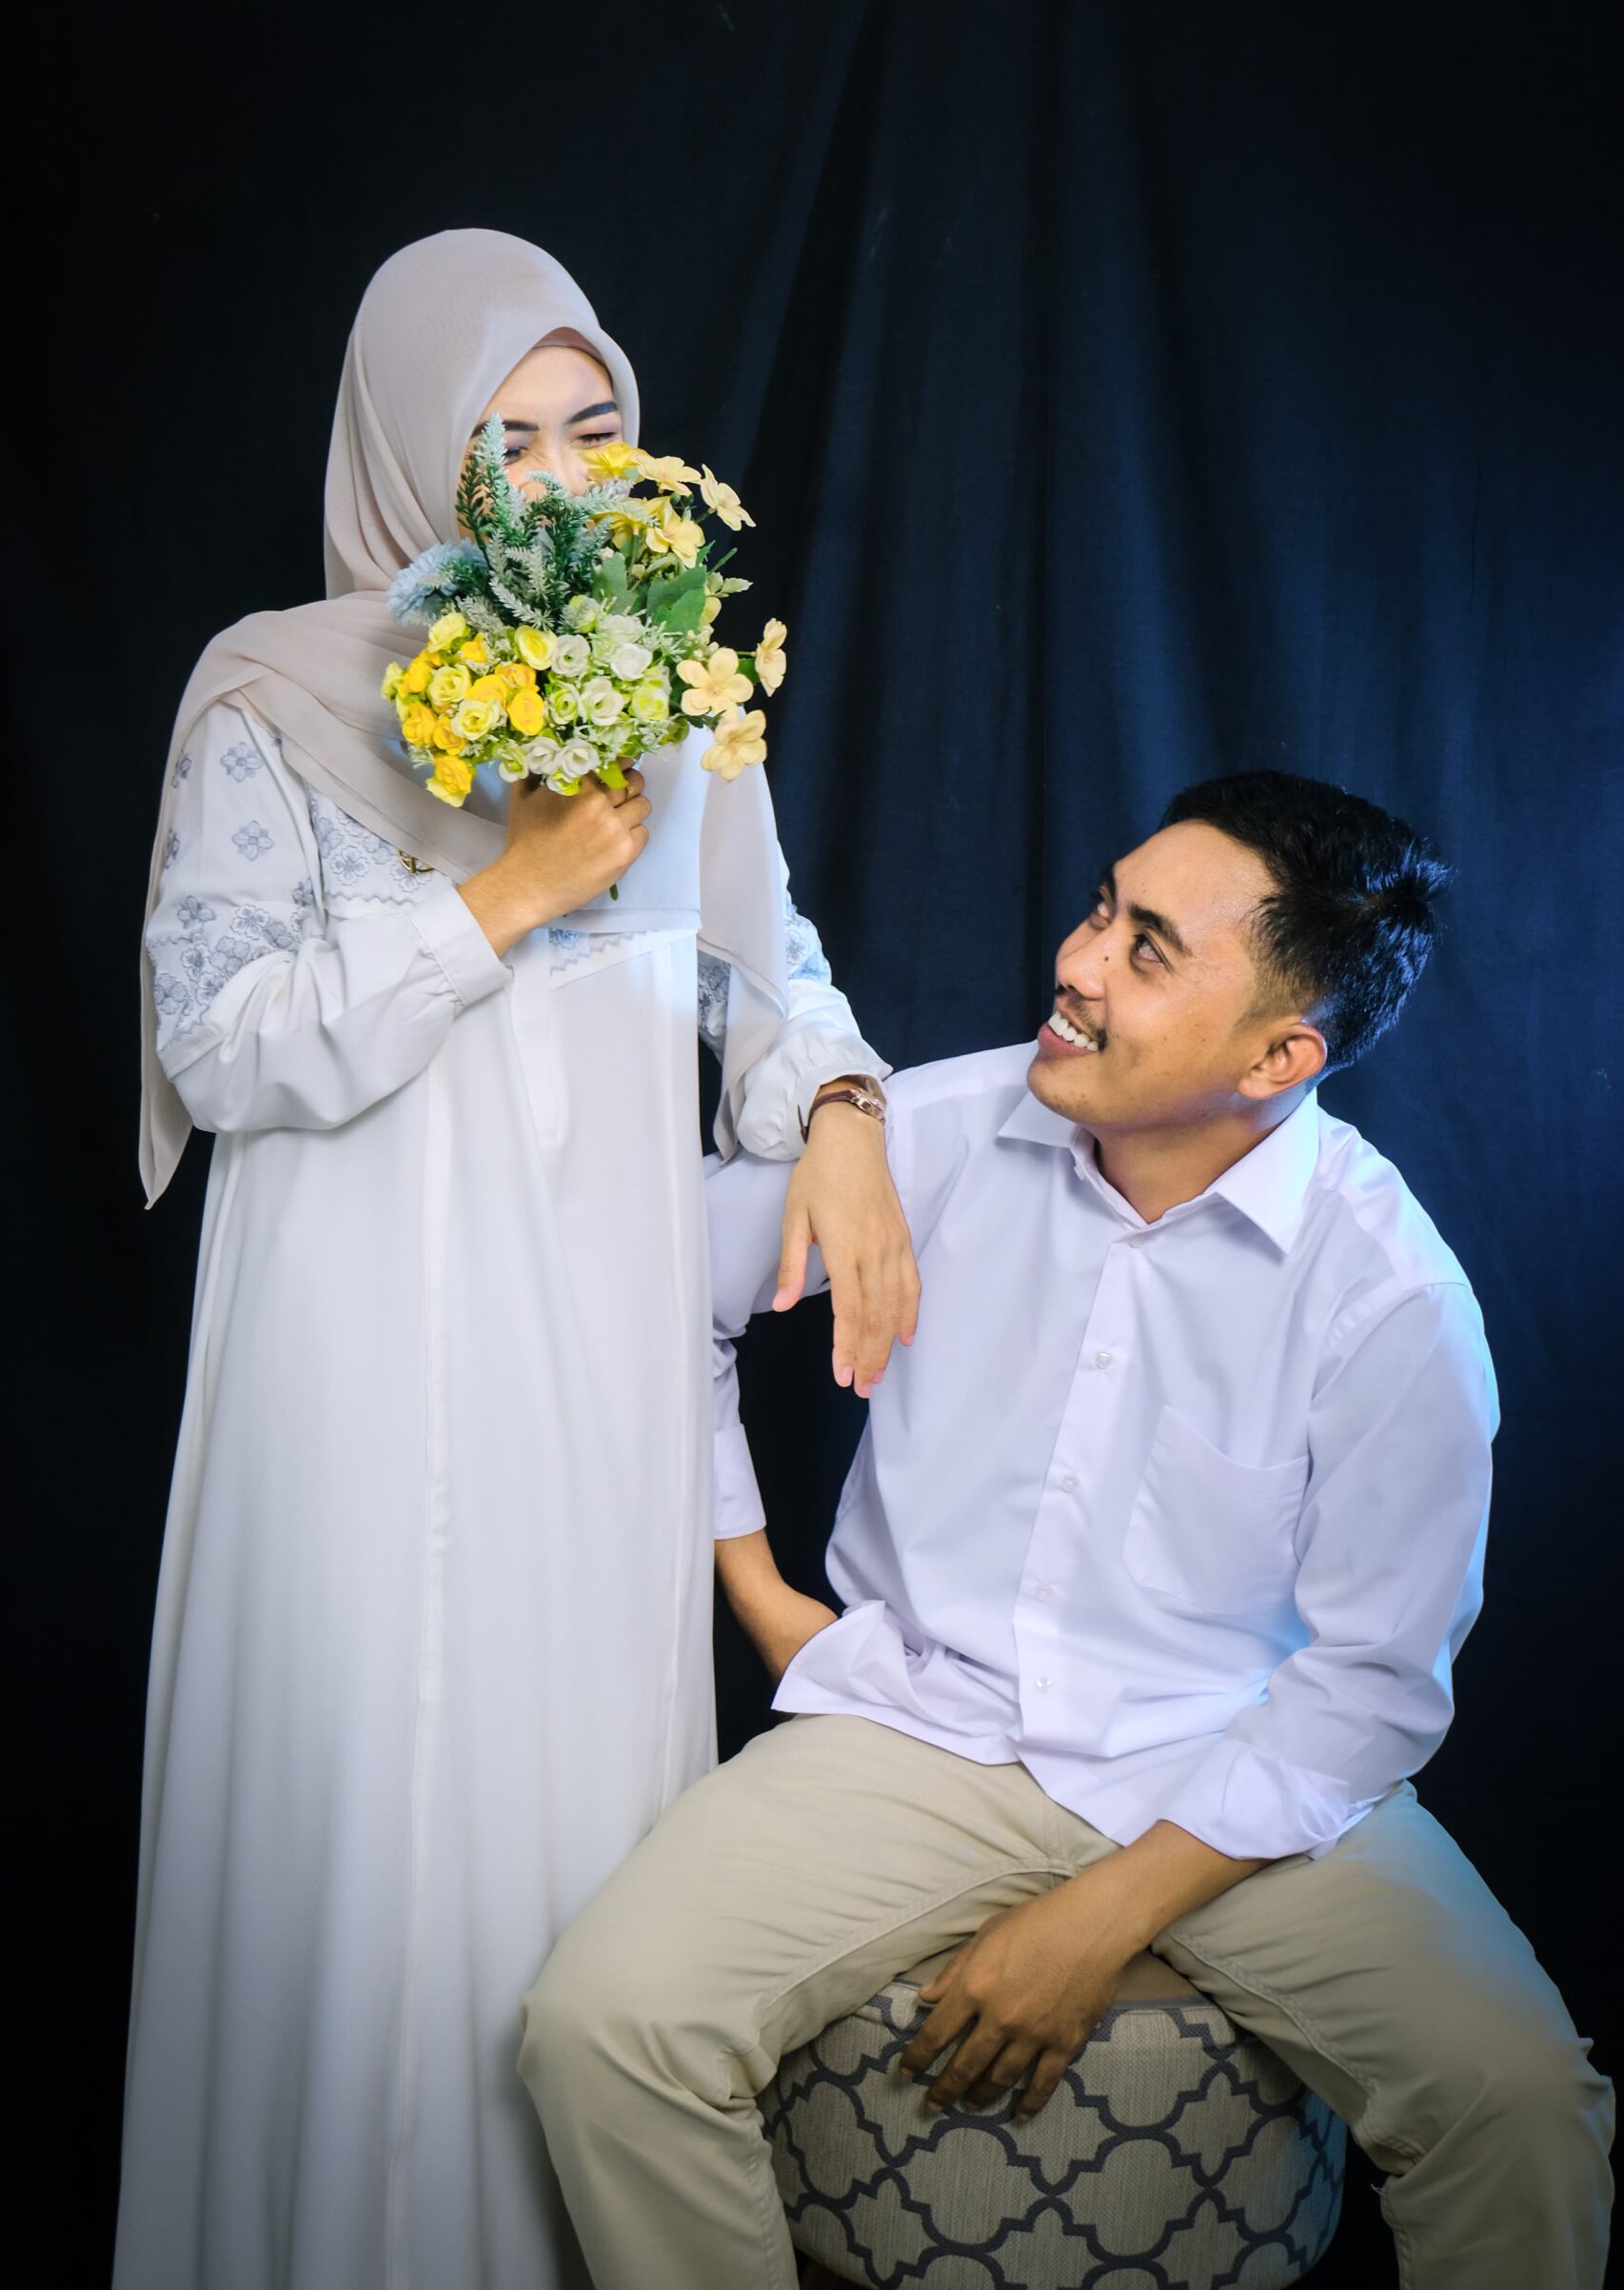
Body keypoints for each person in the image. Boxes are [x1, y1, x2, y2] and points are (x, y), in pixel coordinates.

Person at [522, 770, 1614, 2290]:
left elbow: (1367, 1689)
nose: (1077, 961)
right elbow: (650, 1289)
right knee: (605, 2027)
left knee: (1521, 2106)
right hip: (922, 1723)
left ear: (1280, 1055)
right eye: (1103, 909)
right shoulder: (934, 1127)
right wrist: (756, 1586)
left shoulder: (1390, 1300)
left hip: (1229, 1768)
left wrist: (1099, 1917)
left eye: (1147, 949)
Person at [117, 229, 918, 2290]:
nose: (558, 480)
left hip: (587, 1354)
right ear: (408, 449)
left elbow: (765, 973)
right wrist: (506, 893)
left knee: (556, 1832)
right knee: (362, 1815)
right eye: (506, 440)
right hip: (353, 1343)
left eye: (594, 432)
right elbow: (219, 1038)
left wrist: (839, 1106)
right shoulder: (272, 694)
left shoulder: (672, 685)